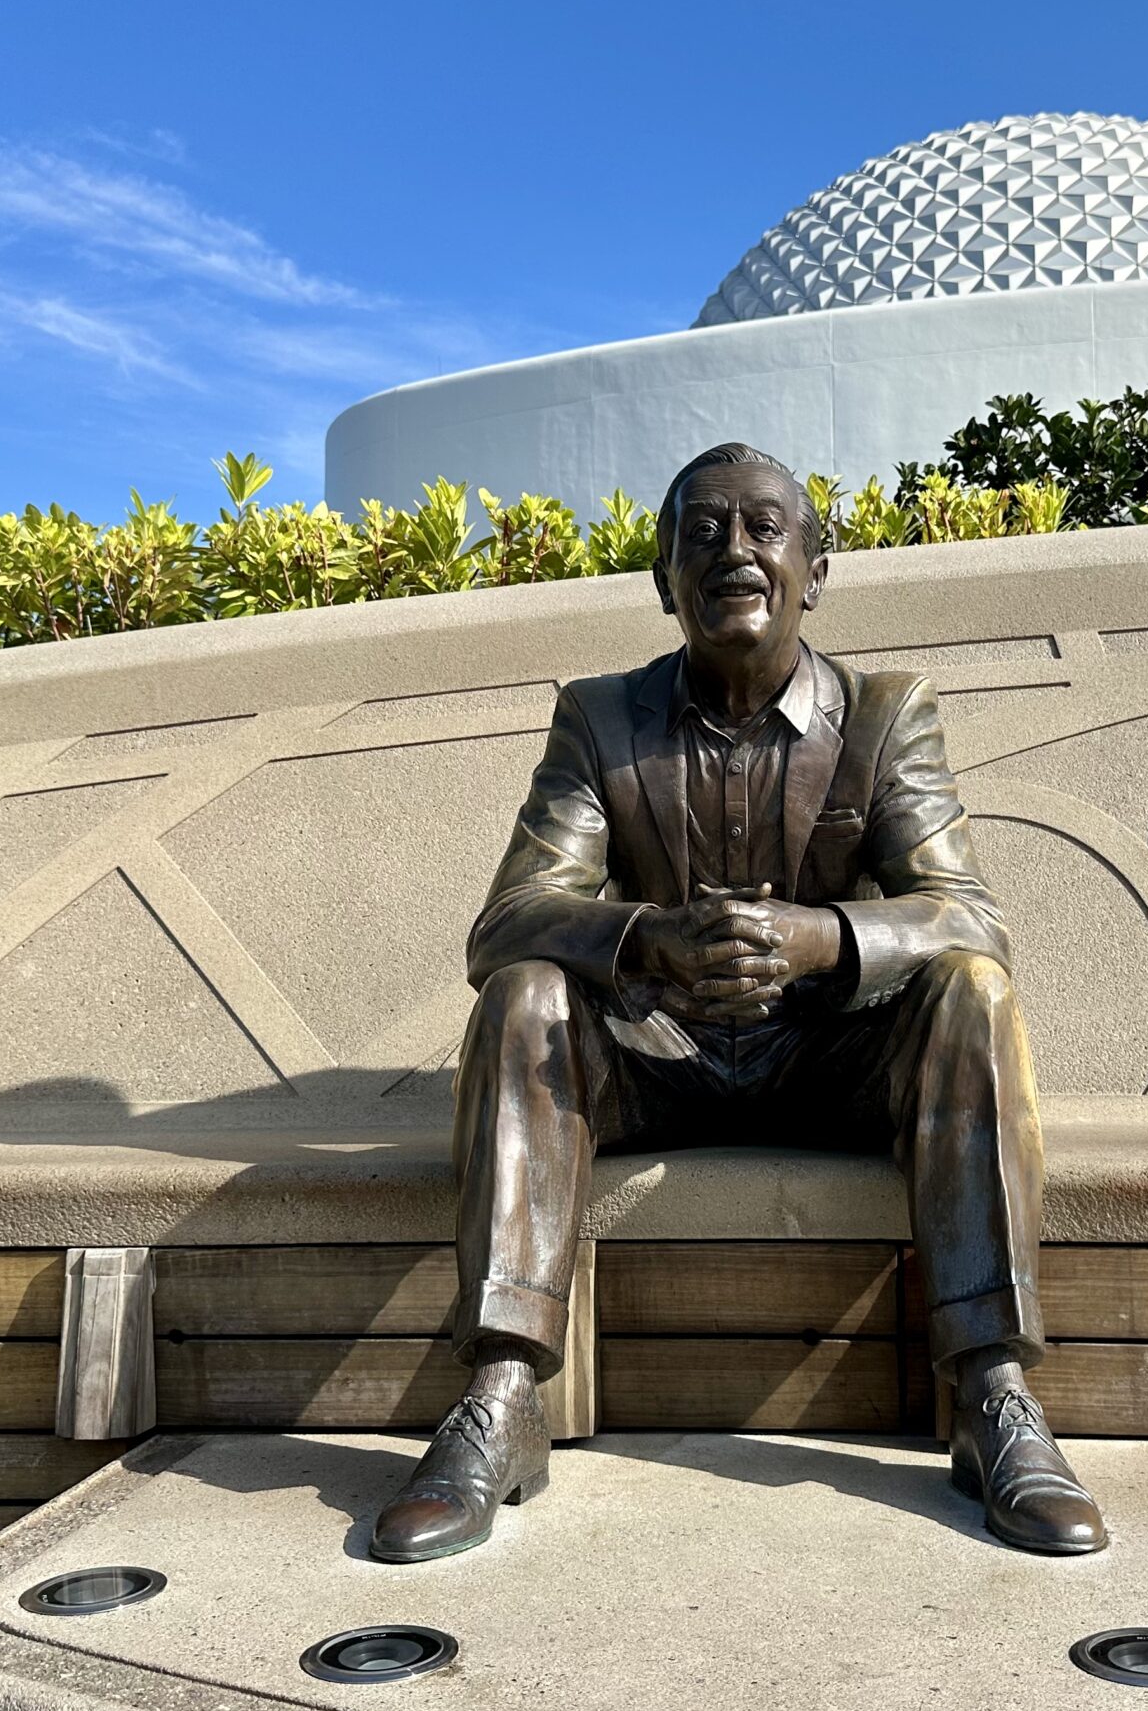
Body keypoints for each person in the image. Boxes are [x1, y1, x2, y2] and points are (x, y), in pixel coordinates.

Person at [372, 442, 1106, 1563]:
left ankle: (993, 1397)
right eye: (702, 533)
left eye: (765, 528)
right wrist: (647, 938)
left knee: (972, 989)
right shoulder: (599, 718)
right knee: (523, 996)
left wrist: (823, 939)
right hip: (655, 1058)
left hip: (830, 1061)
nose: (735, 553)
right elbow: (509, 919)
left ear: (815, 570)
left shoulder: (884, 712)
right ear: (664, 578)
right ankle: (501, 1396)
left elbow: (969, 914)